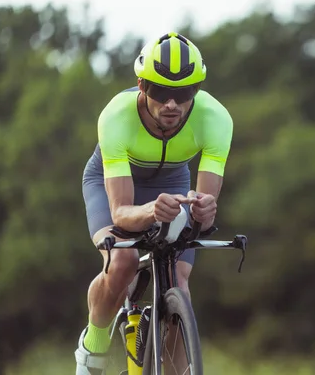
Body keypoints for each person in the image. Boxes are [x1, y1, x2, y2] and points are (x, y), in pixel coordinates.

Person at [75, 32, 233, 374]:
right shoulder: (116, 116)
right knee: (122, 261)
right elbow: (120, 212)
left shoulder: (216, 119)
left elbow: (202, 214)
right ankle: (93, 350)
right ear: (142, 86)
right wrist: (150, 211)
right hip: (113, 184)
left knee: (178, 279)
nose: (172, 105)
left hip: (172, 183)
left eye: (184, 93)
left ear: (198, 89)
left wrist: (204, 211)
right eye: (160, 92)